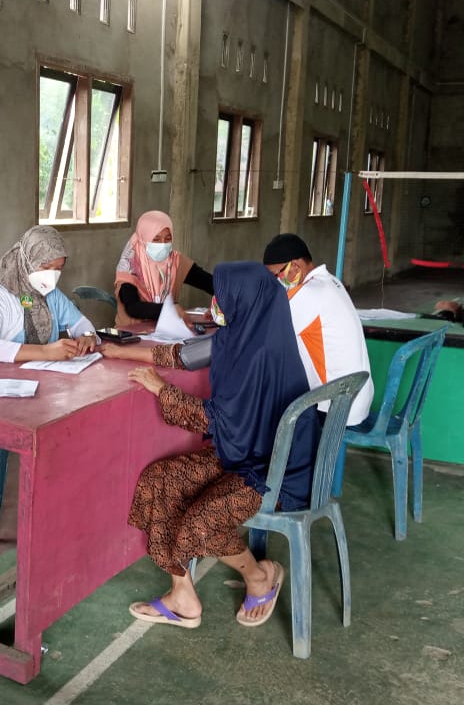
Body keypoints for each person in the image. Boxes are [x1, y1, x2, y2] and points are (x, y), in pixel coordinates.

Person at [100, 262, 321, 628]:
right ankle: (182, 594)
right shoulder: (245, 335)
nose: (215, 303)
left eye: (221, 296)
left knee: (200, 524)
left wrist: (163, 390)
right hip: (243, 450)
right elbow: (182, 355)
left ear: (243, 301)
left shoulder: (260, 355)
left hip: (272, 470)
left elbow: (214, 421)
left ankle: (259, 576)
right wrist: (119, 352)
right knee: (160, 479)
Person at [262, 233, 375, 427]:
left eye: (275, 275)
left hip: (338, 407)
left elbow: (265, 333)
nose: (274, 282)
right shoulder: (330, 282)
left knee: (266, 411)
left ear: (295, 266)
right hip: (355, 398)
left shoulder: (309, 293)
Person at [0, 225, 98, 363]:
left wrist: (88, 336)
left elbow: (81, 324)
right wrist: (45, 352)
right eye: (45, 267)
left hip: (36, 373)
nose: (52, 275)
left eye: (58, 269)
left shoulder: (52, 295)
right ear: (26, 261)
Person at [114, 210, 214, 327]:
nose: (162, 244)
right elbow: (133, 307)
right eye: (156, 239)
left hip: (167, 330)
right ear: (143, 238)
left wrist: (219, 305)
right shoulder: (130, 265)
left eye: (168, 239)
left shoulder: (175, 261)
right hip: (132, 332)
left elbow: (209, 283)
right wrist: (168, 309)